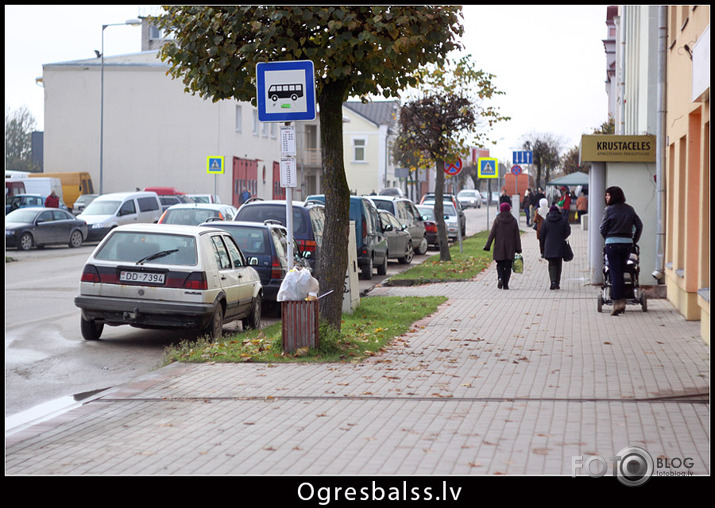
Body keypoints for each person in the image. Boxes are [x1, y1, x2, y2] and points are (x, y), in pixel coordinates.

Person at [599, 186, 643, 316]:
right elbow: (639, 225)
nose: (606, 198)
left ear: (613, 196)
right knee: (622, 271)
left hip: (612, 245)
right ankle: (622, 299)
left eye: (608, 195)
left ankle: (618, 302)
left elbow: (602, 228)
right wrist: (633, 240)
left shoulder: (609, 210)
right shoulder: (629, 209)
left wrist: (608, 238)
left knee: (615, 273)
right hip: (627, 245)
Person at [484, 202, 522, 290]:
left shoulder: (497, 220)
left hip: (499, 247)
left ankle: (500, 277)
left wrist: (487, 245)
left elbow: (492, 234)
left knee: (500, 264)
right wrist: (518, 248)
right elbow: (517, 236)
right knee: (508, 266)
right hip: (510, 248)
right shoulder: (513, 221)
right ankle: (506, 284)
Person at [539, 204, 571, 290]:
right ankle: (557, 282)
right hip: (560, 245)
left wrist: (542, 247)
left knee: (552, 264)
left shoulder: (546, 221)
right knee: (559, 264)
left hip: (549, 245)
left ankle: (553, 282)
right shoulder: (563, 220)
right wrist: (562, 237)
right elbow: (568, 231)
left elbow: (542, 235)